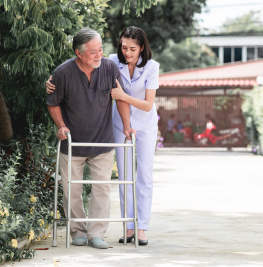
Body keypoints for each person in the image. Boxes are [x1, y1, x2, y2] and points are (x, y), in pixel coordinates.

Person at [46, 28, 136, 249]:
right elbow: (53, 102)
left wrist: (126, 126)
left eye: (100, 50)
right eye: (93, 52)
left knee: (102, 188)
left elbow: (120, 98)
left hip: (102, 142)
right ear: (78, 52)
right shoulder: (63, 72)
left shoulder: (109, 68)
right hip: (72, 143)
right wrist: (61, 126)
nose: (99, 55)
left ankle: (96, 234)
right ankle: (78, 231)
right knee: (71, 189)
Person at [108, 26, 159, 246]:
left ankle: (142, 228)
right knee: (125, 176)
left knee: (144, 175)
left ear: (142, 48)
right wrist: (54, 80)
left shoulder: (152, 67)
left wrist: (122, 96)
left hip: (146, 125)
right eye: (124, 47)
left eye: (132, 49)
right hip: (120, 124)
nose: (127, 52)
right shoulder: (111, 61)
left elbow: (148, 105)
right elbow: (83, 66)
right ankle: (129, 226)